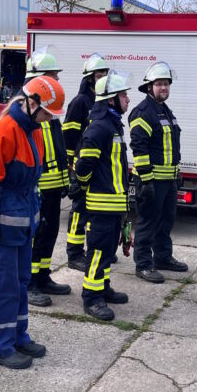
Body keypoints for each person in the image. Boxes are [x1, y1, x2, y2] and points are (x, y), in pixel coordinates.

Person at [0, 75, 65, 369]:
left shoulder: (33, 129)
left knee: (21, 282)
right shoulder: (5, 131)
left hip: (22, 221)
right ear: (31, 103)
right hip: (2, 224)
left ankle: (18, 337)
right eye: (47, 113)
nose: (49, 119)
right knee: (4, 286)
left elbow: (31, 181)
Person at [70, 70, 131, 321]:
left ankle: (102, 287)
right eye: (123, 95)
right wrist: (81, 186)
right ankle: (91, 298)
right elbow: (84, 166)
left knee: (107, 250)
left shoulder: (113, 125)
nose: (128, 99)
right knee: (97, 251)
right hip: (100, 204)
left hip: (113, 204)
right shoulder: (100, 128)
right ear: (110, 100)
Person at [129, 61, 187, 284]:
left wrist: (177, 173)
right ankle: (143, 264)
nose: (164, 88)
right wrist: (146, 180)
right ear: (149, 87)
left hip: (168, 181)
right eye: (159, 84)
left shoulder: (165, 111)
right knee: (148, 222)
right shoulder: (143, 112)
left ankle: (162, 257)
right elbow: (139, 148)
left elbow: (172, 148)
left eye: (166, 84)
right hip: (151, 180)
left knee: (166, 221)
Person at [24, 48, 72, 308]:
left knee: (50, 233)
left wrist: (65, 178)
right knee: (36, 235)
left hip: (54, 184)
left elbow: (57, 147)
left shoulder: (49, 107)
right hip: (39, 186)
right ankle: (29, 282)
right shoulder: (28, 107)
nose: (56, 80)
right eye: (52, 75)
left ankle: (42, 276)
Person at [62, 54, 110, 272]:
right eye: (99, 74)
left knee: (92, 212)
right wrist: (71, 167)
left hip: (96, 167)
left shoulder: (101, 100)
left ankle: (94, 250)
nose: (102, 77)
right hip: (79, 165)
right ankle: (74, 253)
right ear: (90, 77)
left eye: (105, 74)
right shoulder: (80, 102)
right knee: (79, 211)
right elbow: (69, 137)